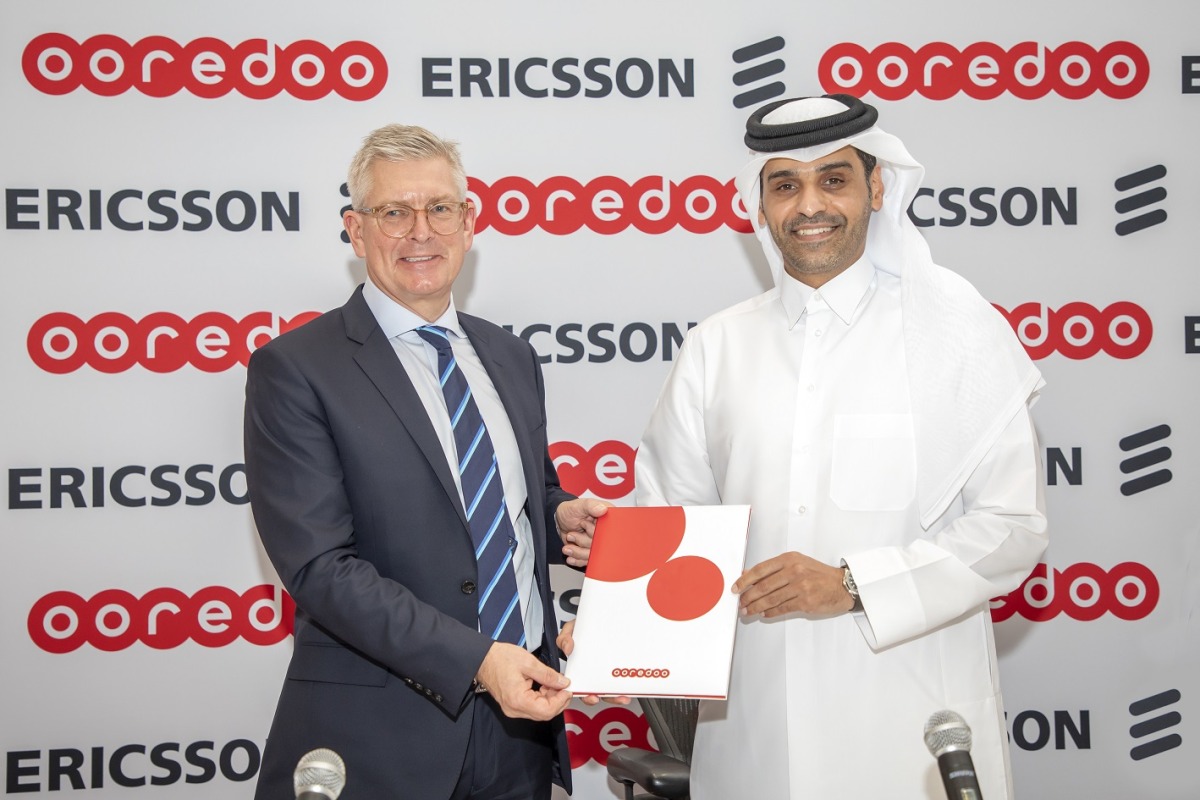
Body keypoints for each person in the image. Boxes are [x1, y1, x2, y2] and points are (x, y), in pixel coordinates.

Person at [631, 95, 1049, 798]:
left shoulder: (958, 329)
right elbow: (669, 528)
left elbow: (1012, 528)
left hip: (909, 725)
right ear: (760, 205)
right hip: (754, 733)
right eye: (784, 184)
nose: (808, 205)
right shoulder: (716, 348)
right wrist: (621, 638)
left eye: (834, 178)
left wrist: (852, 583)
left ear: (876, 187)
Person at [244, 123, 608, 799]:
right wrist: (475, 660)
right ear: (355, 231)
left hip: (519, 730)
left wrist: (561, 520)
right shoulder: (295, 369)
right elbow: (322, 569)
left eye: (441, 208)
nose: (421, 232)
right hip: (379, 737)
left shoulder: (509, 357)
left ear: (469, 223)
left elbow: (517, 495)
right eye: (394, 212)